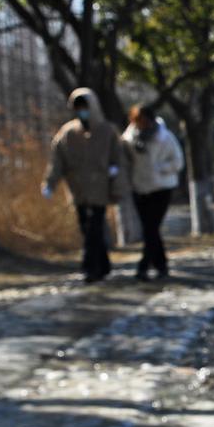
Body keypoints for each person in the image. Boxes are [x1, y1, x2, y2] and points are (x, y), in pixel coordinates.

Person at [43, 88, 127, 283]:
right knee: (85, 228)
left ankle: (90, 267)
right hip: (78, 190)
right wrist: (49, 183)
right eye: (78, 108)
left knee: (94, 228)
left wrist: (115, 175)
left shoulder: (107, 130)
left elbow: (119, 157)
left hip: (100, 190)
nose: (82, 111)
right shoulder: (68, 132)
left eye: (85, 107)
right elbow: (57, 161)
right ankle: (103, 265)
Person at [123, 104, 185, 281]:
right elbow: (124, 159)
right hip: (139, 188)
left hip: (161, 188)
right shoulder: (128, 138)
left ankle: (143, 266)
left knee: (151, 228)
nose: (141, 124)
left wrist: (160, 168)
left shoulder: (165, 137)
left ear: (150, 120)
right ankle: (161, 266)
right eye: (137, 120)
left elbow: (178, 162)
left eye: (144, 120)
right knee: (150, 229)